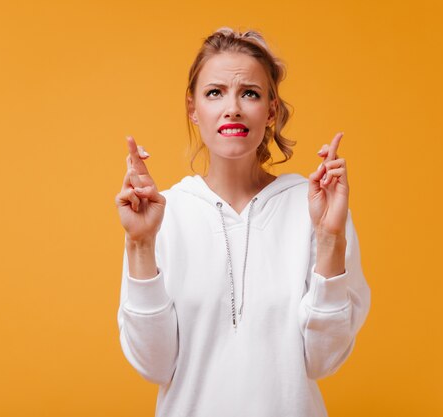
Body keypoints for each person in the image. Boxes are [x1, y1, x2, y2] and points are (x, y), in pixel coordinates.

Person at [115, 27, 371, 417]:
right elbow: (153, 366)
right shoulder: (161, 212)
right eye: (214, 92)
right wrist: (140, 245)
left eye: (249, 93)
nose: (232, 107)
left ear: (270, 111)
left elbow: (323, 361)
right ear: (192, 108)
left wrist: (330, 237)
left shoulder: (316, 207)